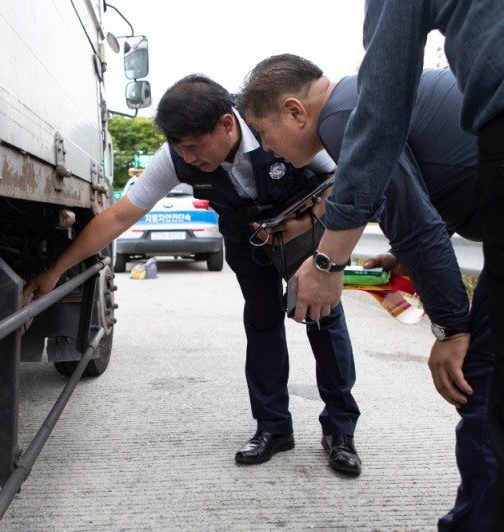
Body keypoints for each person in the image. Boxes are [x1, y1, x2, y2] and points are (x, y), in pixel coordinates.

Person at [249, 3, 504, 527]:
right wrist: (398, 257)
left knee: (486, 392)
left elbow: (416, 222)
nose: (271, 153)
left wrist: (450, 328)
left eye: (264, 137)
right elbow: (431, 197)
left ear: (293, 111)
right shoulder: (350, 101)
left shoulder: (341, 115)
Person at [23, 74, 363, 475]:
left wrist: (305, 223)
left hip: (304, 231)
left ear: (226, 123)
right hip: (246, 240)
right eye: (181, 150)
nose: (189, 159)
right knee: (261, 321)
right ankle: (273, 428)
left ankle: (340, 432)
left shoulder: (272, 123)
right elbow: (119, 215)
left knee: (321, 316)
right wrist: (55, 269)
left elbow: (346, 179)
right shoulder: (176, 156)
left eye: (196, 149)